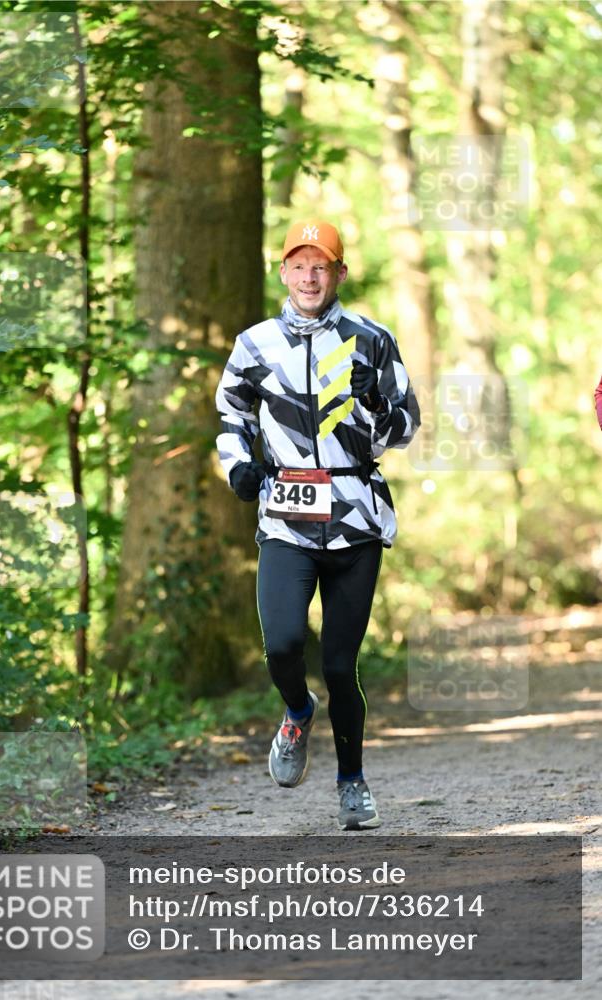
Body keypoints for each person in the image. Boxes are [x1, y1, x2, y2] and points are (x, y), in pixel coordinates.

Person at [215, 220, 420, 830]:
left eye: (321, 265)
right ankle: (297, 712)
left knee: (339, 664)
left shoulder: (371, 339)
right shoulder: (254, 344)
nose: (309, 276)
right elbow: (231, 412)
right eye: (299, 265)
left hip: (356, 517)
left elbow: (405, 427)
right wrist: (239, 467)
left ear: (339, 274)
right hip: (286, 518)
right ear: (283, 272)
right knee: (281, 642)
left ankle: (352, 784)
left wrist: (377, 400)